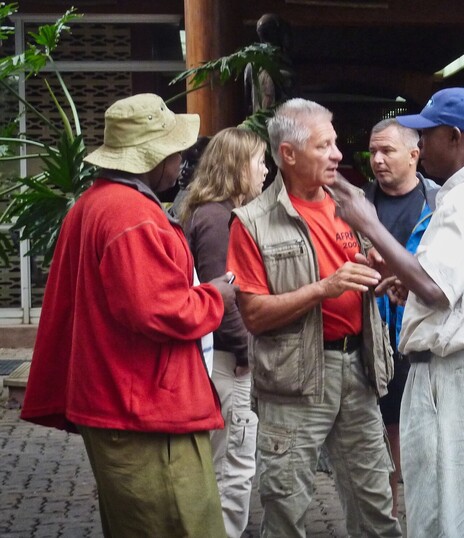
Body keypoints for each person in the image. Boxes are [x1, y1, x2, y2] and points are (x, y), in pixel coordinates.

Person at [20, 93, 236, 537]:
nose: (181, 163)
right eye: (177, 152)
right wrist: (216, 296)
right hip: (145, 411)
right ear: (154, 158)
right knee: (186, 526)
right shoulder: (130, 214)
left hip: (120, 401)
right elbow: (159, 311)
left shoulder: (94, 204)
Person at [332, 87, 464, 537]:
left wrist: (367, 223)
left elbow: (435, 286)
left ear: (455, 137)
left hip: (460, 373)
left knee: (447, 514)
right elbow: (452, 288)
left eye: (428, 136)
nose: (421, 150)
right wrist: (414, 289)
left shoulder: (462, 199)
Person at [225, 98, 401, 538]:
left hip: (359, 370)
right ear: (288, 154)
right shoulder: (253, 221)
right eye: (324, 146)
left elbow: (370, 270)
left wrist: (380, 269)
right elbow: (253, 314)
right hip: (294, 380)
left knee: (376, 502)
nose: (338, 154)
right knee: (286, 506)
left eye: (335, 142)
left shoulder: (354, 201)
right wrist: (325, 288)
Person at [176, 127, 268, 538]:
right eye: (259, 161)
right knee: (233, 464)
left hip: (221, 359)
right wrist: (247, 353)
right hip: (229, 363)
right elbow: (222, 293)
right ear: (237, 167)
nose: (265, 171)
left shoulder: (208, 212)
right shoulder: (217, 218)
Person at [364, 118, 440, 517]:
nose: (377, 159)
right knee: (377, 428)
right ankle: (387, 512)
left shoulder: (441, 203)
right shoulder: (358, 205)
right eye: (373, 152)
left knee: (424, 431)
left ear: (415, 154)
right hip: (368, 334)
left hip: (421, 336)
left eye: (387, 151)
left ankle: (427, 511)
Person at [244, 13, 295, 115]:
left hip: (258, 124)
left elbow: (248, 102)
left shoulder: (251, 65)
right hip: (282, 125)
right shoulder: (286, 69)